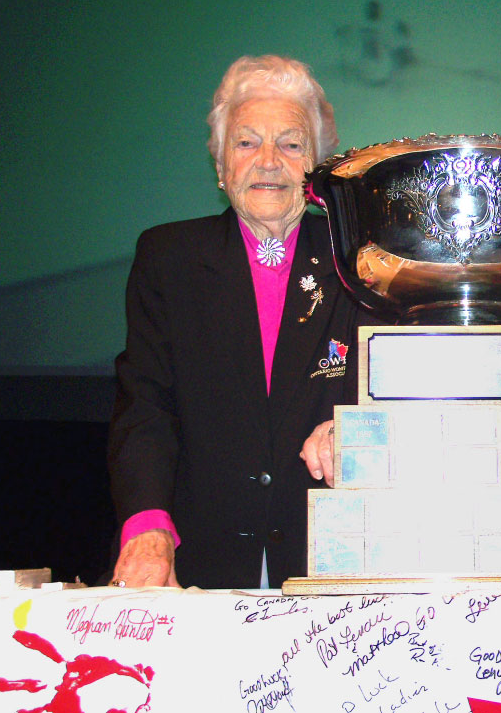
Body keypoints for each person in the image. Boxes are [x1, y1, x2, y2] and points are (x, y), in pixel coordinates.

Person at [107, 55, 372, 590]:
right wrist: (147, 527)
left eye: (292, 145)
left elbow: (397, 393)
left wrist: (360, 433)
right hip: (200, 561)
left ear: (317, 171)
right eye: (247, 142)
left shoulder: (361, 261)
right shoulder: (168, 258)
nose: (269, 161)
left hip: (335, 566)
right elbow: (145, 406)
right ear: (221, 166)